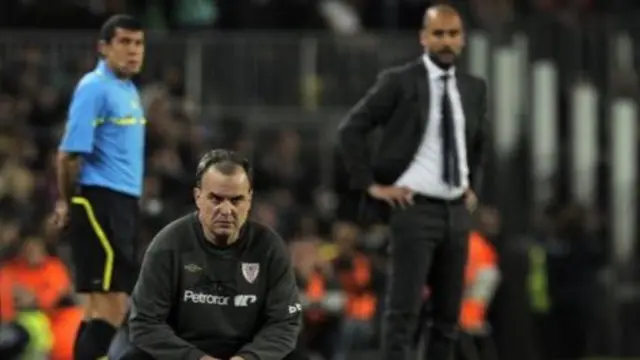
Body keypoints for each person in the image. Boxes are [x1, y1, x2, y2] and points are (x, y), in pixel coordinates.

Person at [337, 4, 488, 360]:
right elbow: (352, 129)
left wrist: (471, 184)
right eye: (438, 33)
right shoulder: (400, 81)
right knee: (403, 311)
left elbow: (478, 143)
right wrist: (371, 185)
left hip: (456, 211)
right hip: (413, 208)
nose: (446, 41)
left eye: (452, 34)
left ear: (463, 40)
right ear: (423, 38)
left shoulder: (474, 88)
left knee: (449, 317)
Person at [113, 149, 302, 360]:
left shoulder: (269, 248)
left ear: (249, 200)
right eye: (216, 199)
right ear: (198, 197)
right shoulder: (168, 245)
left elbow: (285, 323)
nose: (226, 209)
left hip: (245, 352)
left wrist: (249, 358)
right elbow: (144, 323)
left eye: (236, 200)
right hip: (185, 352)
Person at [52, 14, 146, 360]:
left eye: (138, 43)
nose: (133, 51)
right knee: (113, 305)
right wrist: (67, 202)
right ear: (104, 47)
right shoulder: (94, 87)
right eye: (124, 43)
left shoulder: (128, 89)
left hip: (121, 204)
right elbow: (67, 156)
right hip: (101, 203)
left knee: (98, 309)